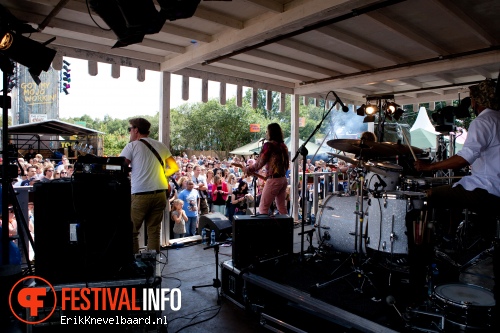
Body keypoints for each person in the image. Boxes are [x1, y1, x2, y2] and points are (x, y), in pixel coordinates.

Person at [413, 79, 500, 309]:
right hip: (495, 189)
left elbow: (464, 158)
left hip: (486, 190)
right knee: (453, 189)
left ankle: (425, 253)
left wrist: (429, 167)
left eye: (472, 98)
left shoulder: (483, 122)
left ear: (478, 101)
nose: (471, 103)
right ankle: (450, 236)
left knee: (429, 196)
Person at [120, 117, 179, 253]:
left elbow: (121, 166)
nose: (130, 132)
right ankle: (153, 264)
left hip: (141, 194)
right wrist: (163, 174)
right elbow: (175, 167)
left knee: (132, 231)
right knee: (154, 231)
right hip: (159, 194)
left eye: (130, 129)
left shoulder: (132, 146)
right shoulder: (161, 145)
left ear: (136, 130)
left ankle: (135, 264)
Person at [244, 123, 289, 215]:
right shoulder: (283, 146)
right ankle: (286, 228)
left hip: (274, 180)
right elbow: (286, 164)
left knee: (263, 208)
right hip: (283, 179)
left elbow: (260, 163)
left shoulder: (269, 145)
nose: (266, 133)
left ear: (270, 132)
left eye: (267, 131)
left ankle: (264, 229)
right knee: (281, 207)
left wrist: (248, 169)